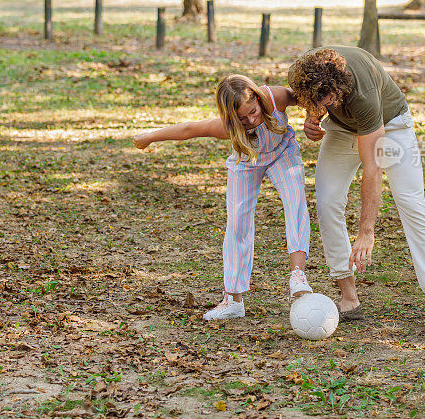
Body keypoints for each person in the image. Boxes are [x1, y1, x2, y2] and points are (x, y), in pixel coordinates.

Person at [287, 46, 425, 332]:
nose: (323, 104)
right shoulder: (301, 76)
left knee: (411, 203)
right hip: (341, 130)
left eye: (327, 99)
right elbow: (307, 99)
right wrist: (312, 118)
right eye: (317, 100)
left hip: (391, 125)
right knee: (327, 203)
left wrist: (366, 232)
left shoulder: (361, 94)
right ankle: (348, 296)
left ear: (339, 87)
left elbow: (373, 170)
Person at [133, 75, 314, 321]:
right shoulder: (227, 127)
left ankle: (297, 275)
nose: (251, 120)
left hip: (283, 154)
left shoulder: (275, 97)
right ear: (231, 118)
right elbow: (189, 130)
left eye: (253, 111)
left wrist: (314, 119)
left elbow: (310, 98)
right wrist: (150, 137)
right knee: (237, 223)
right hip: (247, 161)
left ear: (258, 99)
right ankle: (233, 300)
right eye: (242, 118)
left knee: (295, 202)